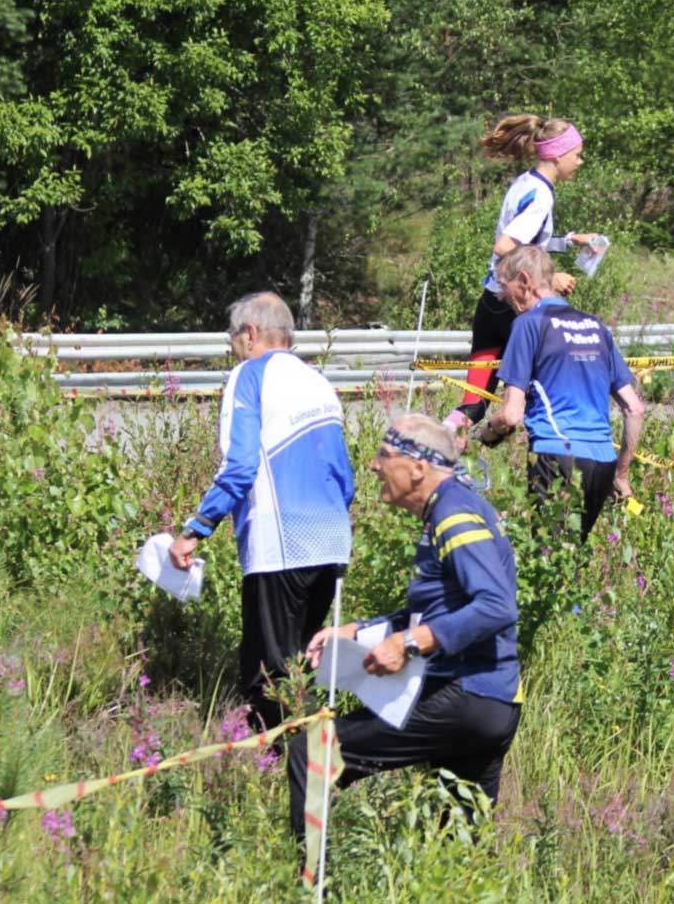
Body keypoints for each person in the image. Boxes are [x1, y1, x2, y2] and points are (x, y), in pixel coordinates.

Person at [288, 414, 521, 840]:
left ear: (418, 467)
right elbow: (437, 610)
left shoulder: (454, 515)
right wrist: (357, 631)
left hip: (468, 695)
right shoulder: (448, 510)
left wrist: (409, 644)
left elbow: (496, 606)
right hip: (491, 700)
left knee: (315, 750)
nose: (374, 465)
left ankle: (305, 878)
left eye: (384, 455)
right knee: (458, 848)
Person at [169, 292, 355, 730]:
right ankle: (301, 760)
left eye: (233, 340)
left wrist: (195, 529)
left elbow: (240, 465)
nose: (234, 349)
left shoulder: (249, 375)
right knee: (301, 663)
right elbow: (344, 475)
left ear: (250, 334)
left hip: (280, 542)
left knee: (266, 670)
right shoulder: (318, 381)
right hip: (330, 542)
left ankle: (269, 767)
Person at [445, 114, 600, 436]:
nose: (580, 162)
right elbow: (505, 246)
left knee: (474, 402)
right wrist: (549, 279)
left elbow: (528, 239)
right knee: (544, 394)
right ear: (557, 155)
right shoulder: (541, 196)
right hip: (516, 311)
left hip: (491, 301)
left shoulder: (526, 182)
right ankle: (546, 457)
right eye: (577, 155)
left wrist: (568, 241)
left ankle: (440, 447)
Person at [486, 245, 645, 542]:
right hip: (602, 462)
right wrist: (621, 475)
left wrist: (485, 436)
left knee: (548, 561)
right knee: (570, 559)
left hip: (557, 454)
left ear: (524, 280)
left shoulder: (528, 324)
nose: (501, 297)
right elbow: (634, 408)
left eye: (504, 288)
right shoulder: (595, 326)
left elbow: (511, 415)